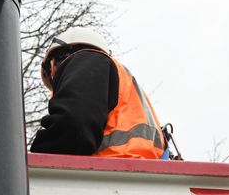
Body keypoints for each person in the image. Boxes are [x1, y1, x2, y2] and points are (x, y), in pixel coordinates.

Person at [30, 27, 166, 159]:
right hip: (134, 171)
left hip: (110, 171)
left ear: (53, 64)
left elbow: (74, 127)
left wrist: (34, 159)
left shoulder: (88, 60)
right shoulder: (125, 85)